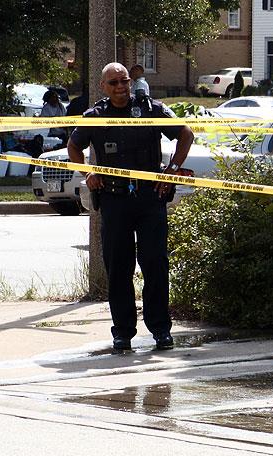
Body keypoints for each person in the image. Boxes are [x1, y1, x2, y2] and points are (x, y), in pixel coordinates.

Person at [67, 62, 193, 352]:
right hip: (114, 200)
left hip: (150, 198)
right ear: (103, 86)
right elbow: (74, 146)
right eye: (114, 83)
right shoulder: (95, 116)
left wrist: (172, 170)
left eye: (124, 81)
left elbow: (186, 133)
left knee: (155, 264)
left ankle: (160, 329)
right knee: (119, 267)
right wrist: (87, 171)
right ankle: (122, 332)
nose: (120, 87)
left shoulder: (149, 109)